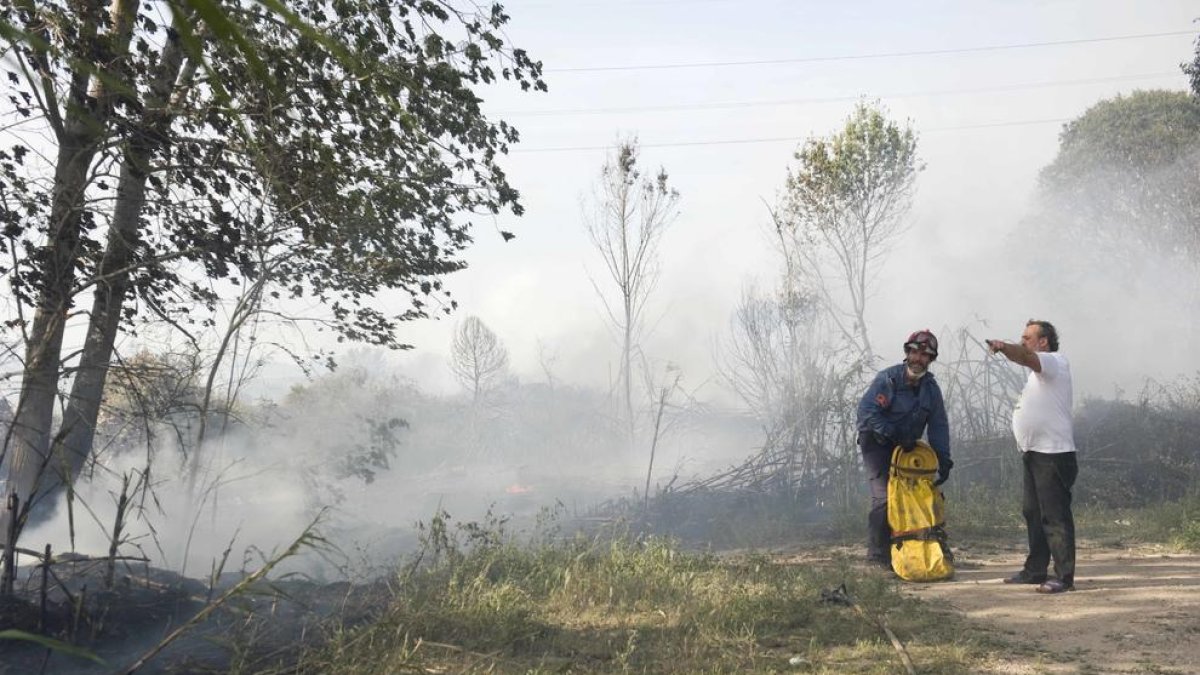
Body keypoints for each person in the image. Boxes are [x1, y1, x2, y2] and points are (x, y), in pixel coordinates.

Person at [987, 320, 1077, 594]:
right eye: (1021, 337)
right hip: (1034, 453)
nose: (1023, 340)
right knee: (1033, 513)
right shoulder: (1038, 374)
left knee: (1054, 516)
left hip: (1053, 454)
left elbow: (1025, 356)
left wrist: (1003, 347)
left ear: (1043, 342)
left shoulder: (1054, 362)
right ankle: (1035, 570)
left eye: (1028, 337)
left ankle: (1064, 577)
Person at [856, 330, 952, 569]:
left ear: (930, 360)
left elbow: (938, 425)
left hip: (907, 447)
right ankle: (877, 558)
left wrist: (944, 458)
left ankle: (909, 550)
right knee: (884, 498)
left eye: (925, 355)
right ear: (907, 352)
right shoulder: (888, 380)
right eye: (915, 353)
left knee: (915, 497)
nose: (919, 359)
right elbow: (867, 413)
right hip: (876, 443)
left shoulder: (931, 390)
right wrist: (894, 433)